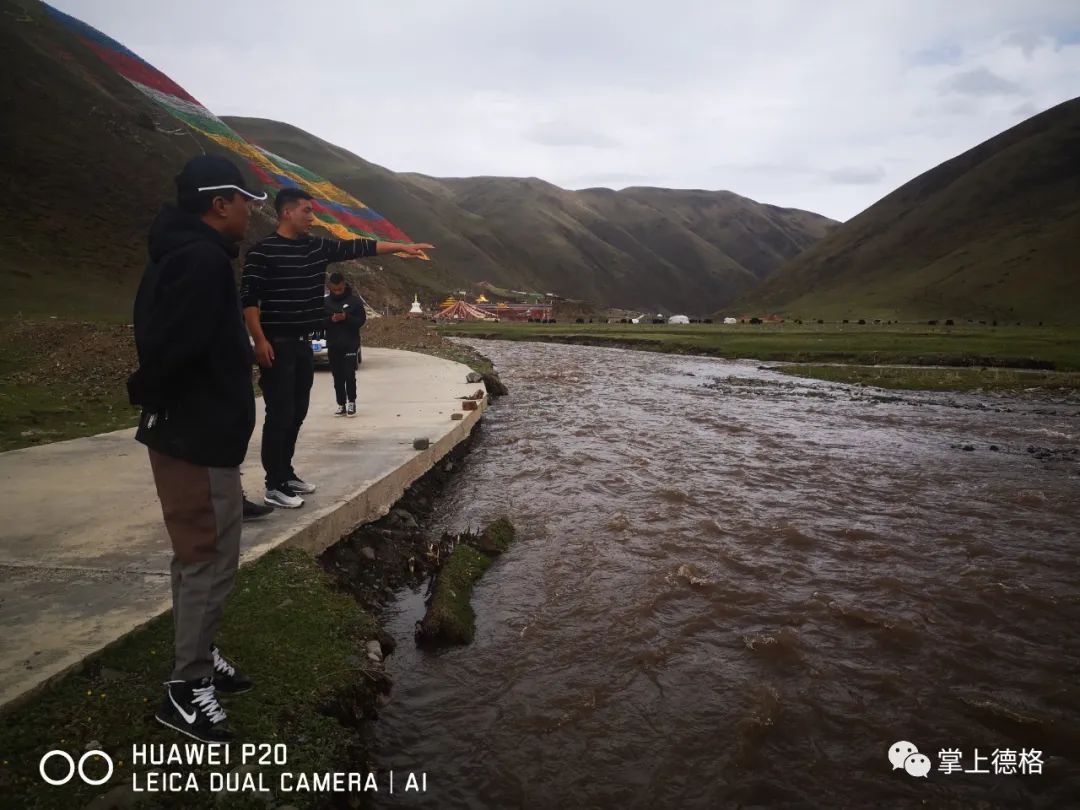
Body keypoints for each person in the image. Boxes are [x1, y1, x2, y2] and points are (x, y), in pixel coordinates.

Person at [127, 154, 266, 743]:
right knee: (208, 561)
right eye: (246, 204)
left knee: (199, 557)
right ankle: (186, 689)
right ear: (219, 204)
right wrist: (165, 403)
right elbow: (169, 350)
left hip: (196, 432)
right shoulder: (201, 263)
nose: (250, 216)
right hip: (196, 437)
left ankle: (201, 658)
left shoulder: (188, 255)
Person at [240, 188, 433, 509]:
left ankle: (286, 473)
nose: (312, 218)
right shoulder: (262, 252)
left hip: (303, 343)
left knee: (298, 411)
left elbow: (358, 246)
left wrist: (401, 247)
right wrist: (259, 341)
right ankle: (273, 484)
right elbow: (248, 300)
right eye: (307, 211)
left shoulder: (315, 247)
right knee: (280, 413)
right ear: (287, 212)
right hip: (277, 344)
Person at [324, 271, 367, 417]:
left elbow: (361, 321)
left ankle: (351, 402)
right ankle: (341, 404)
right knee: (337, 376)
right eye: (334, 290)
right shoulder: (325, 303)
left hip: (350, 343)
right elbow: (318, 322)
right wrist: (331, 320)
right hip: (333, 344)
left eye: (340, 289)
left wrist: (346, 317)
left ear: (344, 284)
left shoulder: (354, 301)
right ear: (329, 287)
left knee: (349, 374)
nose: (337, 292)